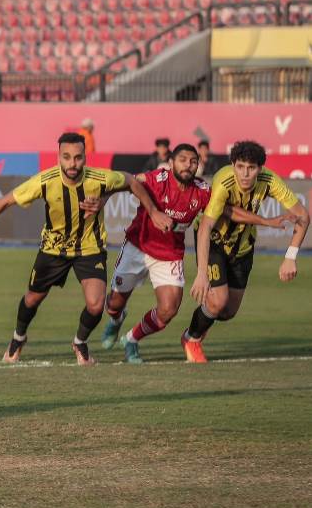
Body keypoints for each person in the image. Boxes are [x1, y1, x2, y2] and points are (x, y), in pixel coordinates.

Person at [0, 132, 173, 365]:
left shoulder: (99, 178)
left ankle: (80, 342)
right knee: (32, 299)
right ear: (58, 157)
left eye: (78, 157)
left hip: (89, 248)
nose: (72, 163)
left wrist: (152, 211)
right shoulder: (45, 180)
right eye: (66, 157)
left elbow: (130, 181)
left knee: (96, 305)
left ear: (85, 157)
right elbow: (6, 200)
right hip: (53, 249)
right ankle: (18, 337)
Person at [100, 144, 296, 363]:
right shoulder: (156, 179)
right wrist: (105, 198)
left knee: (168, 310)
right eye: (182, 160)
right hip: (138, 245)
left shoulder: (202, 191)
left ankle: (132, 339)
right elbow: (127, 180)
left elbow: (228, 210)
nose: (188, 165)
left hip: (170, 253)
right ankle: (116, 320)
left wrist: (265, 221)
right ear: (171, 163)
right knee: (114, 304)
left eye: (193, 161)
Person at [184, 140, 310, 363]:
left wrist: (290, 257)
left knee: (228, 311)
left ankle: (206, 317)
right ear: (233, 164)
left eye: (251, 168)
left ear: (260, 169)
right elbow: (205, 227)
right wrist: (202, 273)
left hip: (243, 246)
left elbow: (303, 216)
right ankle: (191, 338)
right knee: (218, 301)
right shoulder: (224, 181)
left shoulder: (270, 180)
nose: (245, 173)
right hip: (214, 242)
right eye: (240, 166)